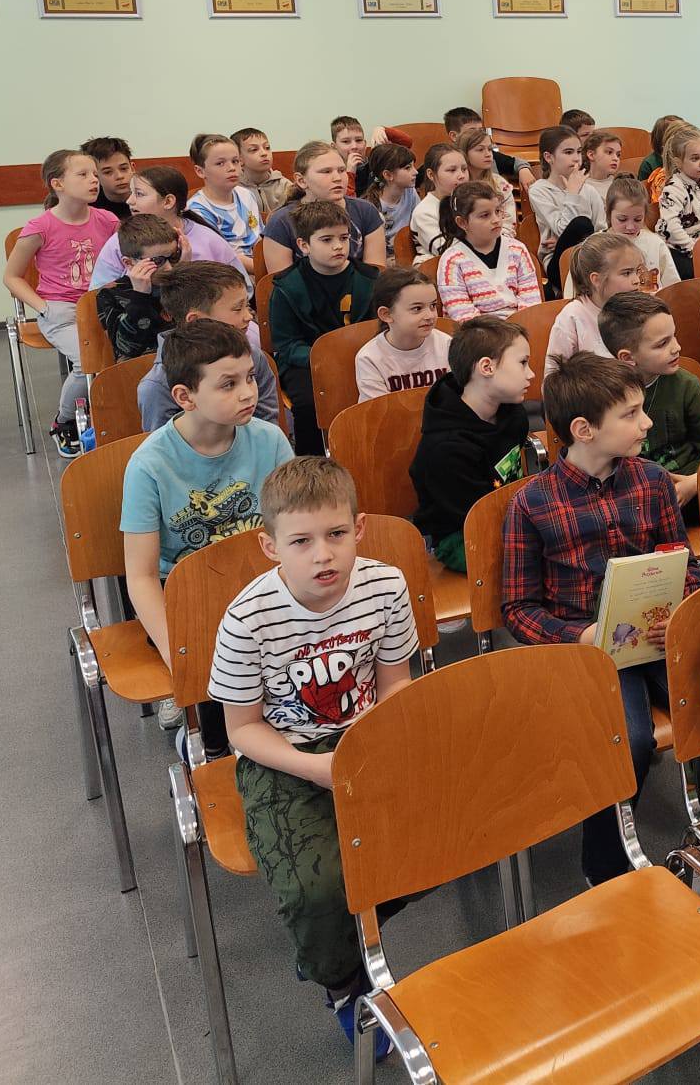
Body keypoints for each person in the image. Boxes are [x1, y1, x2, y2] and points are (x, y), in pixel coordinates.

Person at [209, 457, 412, 1055]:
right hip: (284, 754)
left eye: (337, 534)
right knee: (313, 891)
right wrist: (318, 768)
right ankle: (345, 984)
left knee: (448, 838)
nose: (323, 555)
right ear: (270, 546)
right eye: (301, 541)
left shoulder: (385, 585)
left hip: (370, 735)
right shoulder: (247, 617)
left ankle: (348, 928)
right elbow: (242, 730)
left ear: (359, 528)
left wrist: (370, 741)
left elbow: (396, 683)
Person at [501, 354, 700, 885]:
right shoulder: (531, 503)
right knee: (629, 741)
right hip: (591, 651)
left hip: (656, 634)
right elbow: (518, 610)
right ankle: (606, 861)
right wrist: (583, 634)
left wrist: (681, 608)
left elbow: (683, 562)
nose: (647, 423)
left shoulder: (653, 480)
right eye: (631, 414)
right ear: (584, 430)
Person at [123, 319, 294, 732]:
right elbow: (141, 577)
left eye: (249, 377)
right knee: (223, 698)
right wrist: (176, 653)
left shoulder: (270, 440)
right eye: (228, 384)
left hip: (263, 588)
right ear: (185, 396)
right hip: (191, 601)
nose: (249, 392)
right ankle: (204, 740)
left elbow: (296, 529)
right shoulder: (148, 465)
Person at [4, 149, 118, 455]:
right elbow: (12, 277)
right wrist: (43, 307)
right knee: (86, 361)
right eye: (83, 175)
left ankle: (113, 417)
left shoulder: (107, 220)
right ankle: (65, 421)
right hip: (61, 310)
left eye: (95, 174)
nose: (94, 180)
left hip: (102, 304)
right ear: (58, 184)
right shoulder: (40, 227)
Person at [410, 316, 531, 572]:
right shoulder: (446, 449)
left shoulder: (513, 414)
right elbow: (473, 519)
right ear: (486, 367)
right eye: (523, 363)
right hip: (459, 536)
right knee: (535, 555)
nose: (530, 373)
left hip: (508, 515)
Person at [270, 201, 377, 454]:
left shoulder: (369, 279)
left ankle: (369, 451)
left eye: (344, 238)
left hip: (362, 356)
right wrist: (325, 358)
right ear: (304, 245)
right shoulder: (287, 287)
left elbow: (379, 328)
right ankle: (311, 461)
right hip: (306, 363)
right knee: (309, 404)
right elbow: (286, 345)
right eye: (327, 240)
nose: (338, 246)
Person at [600, 292, 700, 506]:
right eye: (662, 344)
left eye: (674, 336)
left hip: (689, 487)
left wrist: (694, 483)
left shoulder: (686, 384)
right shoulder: (604, 396)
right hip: (633, 497)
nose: (676, 347)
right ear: (627, 357)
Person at [139, 263, 281, 433]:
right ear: (196, 320)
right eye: (237, 308)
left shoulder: (252, 356)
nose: (249, 316)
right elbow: (167, 444)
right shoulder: (157, 387)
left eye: (247, 306)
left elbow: (268, 424)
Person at [88, 165, 246, 288]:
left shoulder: (209, 239)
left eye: (139, 194)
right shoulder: (120, 241)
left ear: (168, 201)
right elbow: (98, 294)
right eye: (131, 193)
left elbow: (242, 286)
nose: (129, 201)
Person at [260, 143, 386, 274]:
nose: (337, 178)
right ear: (301, 180)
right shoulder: (281, 222)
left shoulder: (366, 211)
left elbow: (375, 274)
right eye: (326, 172)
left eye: (341, 170)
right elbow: (282, 281)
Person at [433, 183, 539, 321]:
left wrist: (520, 327)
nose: (496, 220)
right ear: (462, 223)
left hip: (520, 327)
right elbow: (462, 314)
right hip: (476, 331)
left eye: (498, 211)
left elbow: (531, 302)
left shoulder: (517, 250)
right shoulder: (452, 260)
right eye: (485, 215)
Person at [546, 231, 645, 368]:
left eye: (637, 271)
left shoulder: (639, 309)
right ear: (596, 280)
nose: (636, 280)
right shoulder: (572, 317)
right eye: (627, 273)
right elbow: (553, 375)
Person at [527, 125, 605, 296]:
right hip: (558, 263)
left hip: (592, 258)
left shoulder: (589, 190)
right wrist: (572, 194)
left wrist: (578, 241)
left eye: (578, 151)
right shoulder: (539, 190)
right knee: (582, 223)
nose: (576, 158)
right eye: (568, 152)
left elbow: (602, 230)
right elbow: (563, 228)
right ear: (549, 157)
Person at [354, 267, 451, 401]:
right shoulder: (369, 358)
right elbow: (379, 410)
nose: (430, 316)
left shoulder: (447, 345)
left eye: (433, 306)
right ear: (386, 314)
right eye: (417, 308)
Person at [94, 214, 179, 363]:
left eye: (173, 257)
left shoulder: (179, 282)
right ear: (129, 263)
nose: (169, 268)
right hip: (142, 370)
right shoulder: (110, 294)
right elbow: (127, 348)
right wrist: (140, 296)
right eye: (158, 261)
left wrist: (186, 272)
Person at [657, 126, 700, 277]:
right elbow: (671, 227)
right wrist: (696, 249)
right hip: (680, 249)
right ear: (678, 162)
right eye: (695, 159)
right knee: (697, 273)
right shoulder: (673, 189)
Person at [186, 133, 264, 257]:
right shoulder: (197, 211)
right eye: (220, 163)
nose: (232, 168)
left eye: (235, 161)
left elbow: (258, 237)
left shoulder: (246, 195)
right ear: (200, 171)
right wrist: (261, 267)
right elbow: (222, 256)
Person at [602, 176, 679, 293]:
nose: (630, 227)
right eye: (622, 219)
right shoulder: (597, 246)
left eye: (638, 219)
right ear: (608, 213)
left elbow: (674, 289)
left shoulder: (656, 243)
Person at [410, 144, 468, 260]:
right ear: (431, 174)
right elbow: (446, 251)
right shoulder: (424, 212)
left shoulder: (471, 202)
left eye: (464, 169)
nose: (461, 176)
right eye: (452, 170)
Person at [364, 143, 419, 248]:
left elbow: (418, 226)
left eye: (413, 166)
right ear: (388, 175)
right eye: (408, 168)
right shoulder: (369, 206)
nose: (415, 172)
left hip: (406, 251)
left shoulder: (411, 192)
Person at [233, 128, 294, 216]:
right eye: (254, 149)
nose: (264, 153)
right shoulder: (234, 188)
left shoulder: (285, 186)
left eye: (267, 148)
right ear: (239, 159)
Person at [82, 134, 136, 221]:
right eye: (108, 172)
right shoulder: (87, 205)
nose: (119, 176)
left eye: (123, 169)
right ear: (95, 176)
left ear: (132, 168)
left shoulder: (150, 197)